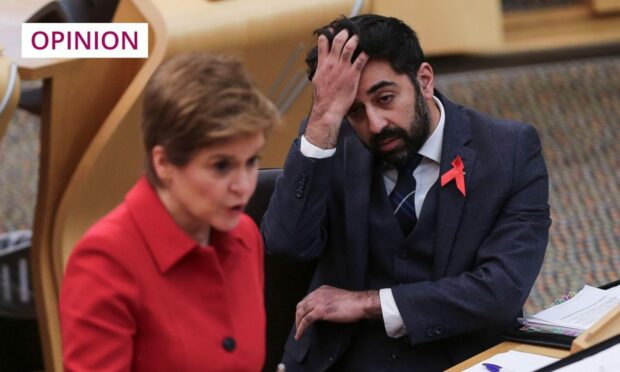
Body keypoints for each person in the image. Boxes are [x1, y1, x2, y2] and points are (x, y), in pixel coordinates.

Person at [262, 14, 551, 371]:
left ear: (424, 80)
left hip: (457, 357)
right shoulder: (331, 137)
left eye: (385, 98)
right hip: (343, 359)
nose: (375, 124)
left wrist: (369, 303)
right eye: (354, 110)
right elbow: (285, 245)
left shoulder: (509, 151)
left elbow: (500, 291)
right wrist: (323, 120)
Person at [60, 52, 281, 371]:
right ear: (164, 163)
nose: (244, 185)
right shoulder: (105, 262)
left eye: (251, 162)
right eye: (221, 166)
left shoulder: (245, 235)